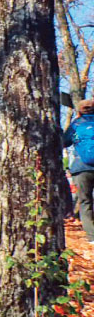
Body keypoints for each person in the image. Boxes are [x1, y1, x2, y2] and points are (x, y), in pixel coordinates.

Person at [64, 100, 94, 242]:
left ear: (80, 110)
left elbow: (64, 142)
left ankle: (92, 237)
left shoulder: (76, 124)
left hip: (81, 168)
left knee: (85, 202)